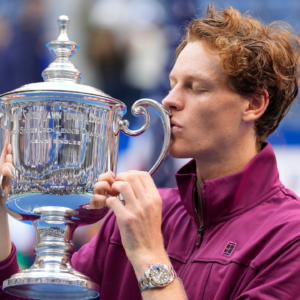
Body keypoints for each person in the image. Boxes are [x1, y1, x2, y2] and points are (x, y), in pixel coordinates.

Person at [1, 5, 300, 299]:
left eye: (195, 87)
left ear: (253, 105)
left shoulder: (290, 238)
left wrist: (148, 254)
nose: (169, 101)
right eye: (172, 85)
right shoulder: (134, 219)